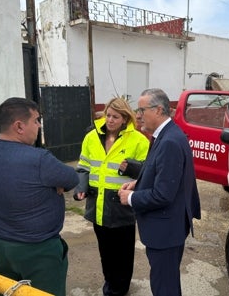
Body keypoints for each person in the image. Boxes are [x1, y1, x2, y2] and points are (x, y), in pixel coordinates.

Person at [0, 97, 79, 296]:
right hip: (38, 249)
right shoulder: (39, 159)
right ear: (19, 126)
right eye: (36, 120)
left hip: (1, 244)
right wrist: (55, 185)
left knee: (9, 292)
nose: (39, 125)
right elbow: (72, 178)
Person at [118, 88, 201, 296]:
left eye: (141, 110)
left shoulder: (170, 141)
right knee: (167, 281)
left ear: (158, 110)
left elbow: (164, 194)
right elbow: (163, 173)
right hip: (168, 228)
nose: (137, 115)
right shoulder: (165, 135)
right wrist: (139, 183)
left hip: (165, 231)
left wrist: (131, 198)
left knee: (164, 287)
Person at [74, 97, 149, 296]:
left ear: (125, 119)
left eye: (116, 116)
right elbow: (83, 166)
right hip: (97, 205)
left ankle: (120, 287)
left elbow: (149, 172)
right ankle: (110, 281)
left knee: (123, 254)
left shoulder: (139, 140)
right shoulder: (91, 137)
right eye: (108, 115)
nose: (110, 120)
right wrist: (81, 187)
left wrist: (131, 167)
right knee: (105, 251)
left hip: (122, 206)